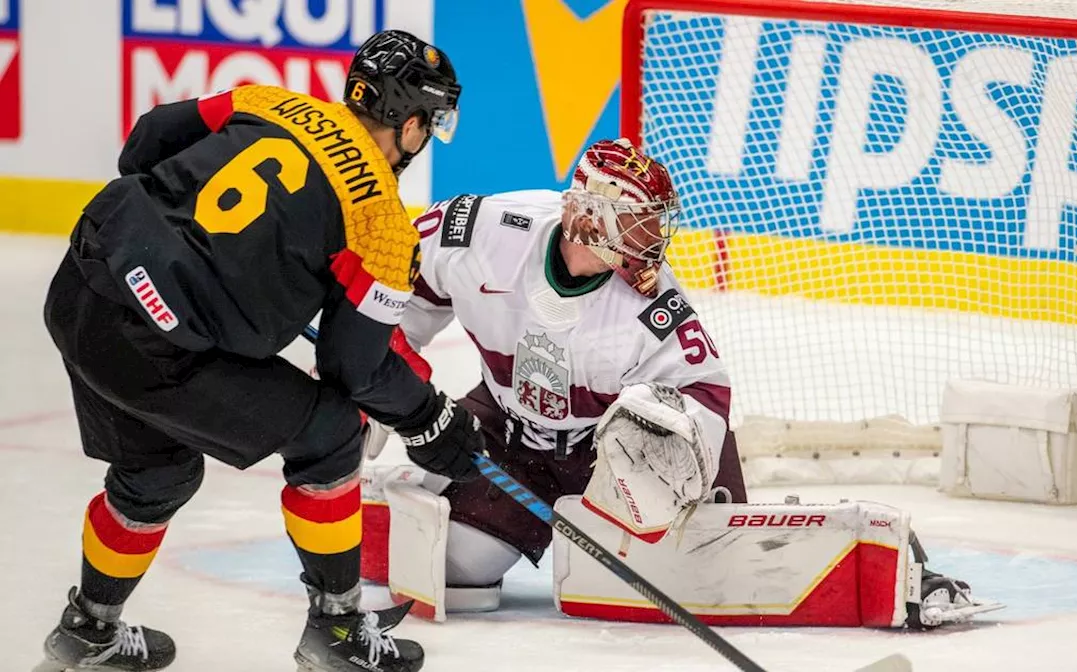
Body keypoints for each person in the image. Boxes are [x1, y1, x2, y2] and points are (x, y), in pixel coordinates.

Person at [39, 30, 482, 672]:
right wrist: (428, 417)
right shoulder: (381, 224)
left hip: (82, 285)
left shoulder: (273, 102)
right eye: (430, 122)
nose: (426, 138)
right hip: (156, 345)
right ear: (407, 121)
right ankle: (335, 632)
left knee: (158, 473)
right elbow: (350, 369)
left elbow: (142, 144)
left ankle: (88, 629)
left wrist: (173, 241)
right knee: (330, 434)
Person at [358, 138, 748, 612]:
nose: (652, 238)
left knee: (704, 576)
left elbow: (707, 391)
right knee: (457, 573)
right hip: (505, 432)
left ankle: (705, 526)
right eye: (636, 223)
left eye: (654, 223)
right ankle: (412, 486)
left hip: (606, 454)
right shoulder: (485, 233)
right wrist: (374, 376)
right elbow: (398, 283)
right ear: (587, 218)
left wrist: (670, 451)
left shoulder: (654, 306)